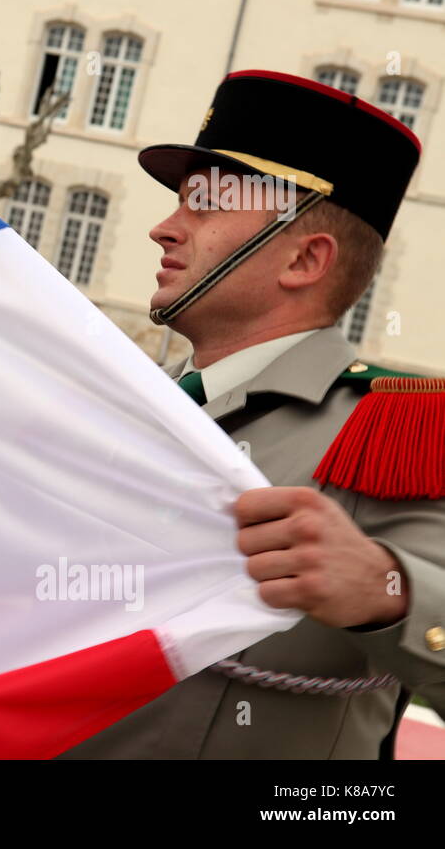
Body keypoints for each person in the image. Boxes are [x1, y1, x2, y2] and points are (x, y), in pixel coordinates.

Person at [60, 69, 445, 758]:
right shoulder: (128, 403)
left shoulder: (398, 431)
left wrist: (390, 591)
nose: (162, 228)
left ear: (304, 258)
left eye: (203, 207)